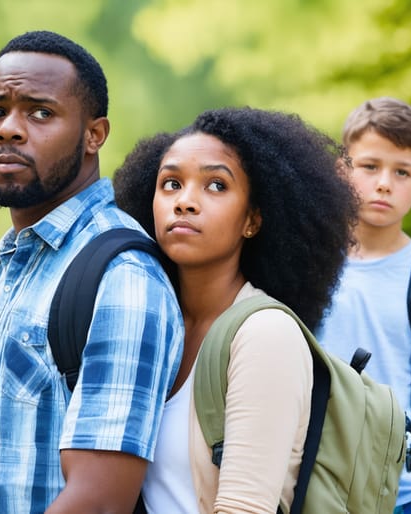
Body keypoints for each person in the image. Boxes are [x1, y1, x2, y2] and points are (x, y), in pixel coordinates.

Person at [0, 30, 184, 513]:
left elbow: (99, 500)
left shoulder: (121, 275)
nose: (9, 130)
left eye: (40, 112)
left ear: (94, 134)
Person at [113, 107, 357, 512]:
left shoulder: (266, 336)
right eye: (171, 183)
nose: (185, 202)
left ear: (253, 220)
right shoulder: (152, 323)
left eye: (216, 186)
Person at [315, 97, 411, 514]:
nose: (385, 183)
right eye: (369, 167)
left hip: (401, 496)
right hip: (312, 486)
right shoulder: (309, 261)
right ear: (342, 170)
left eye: (402, 172)